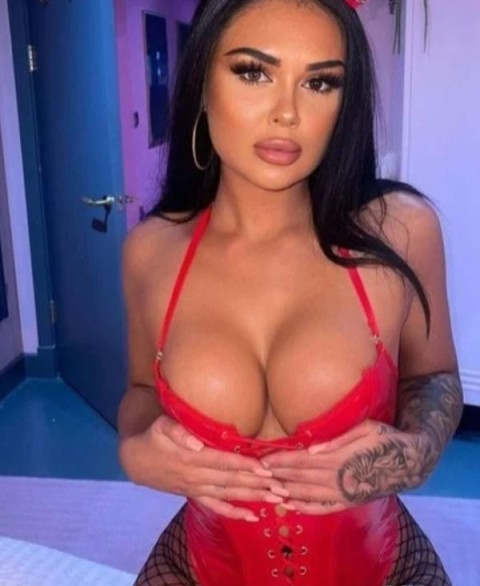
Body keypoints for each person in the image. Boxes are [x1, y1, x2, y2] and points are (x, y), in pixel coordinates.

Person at [118, 0, 463, 584]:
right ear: (201, 84)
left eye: (320, 82)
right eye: (253, 72)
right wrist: (135, 449)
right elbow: (141, 392)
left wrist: (417, 453)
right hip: (199, 565)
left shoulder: (401, 232)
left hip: (380, 566)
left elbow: (434, 377)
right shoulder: (150, 252)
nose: (288, 113)